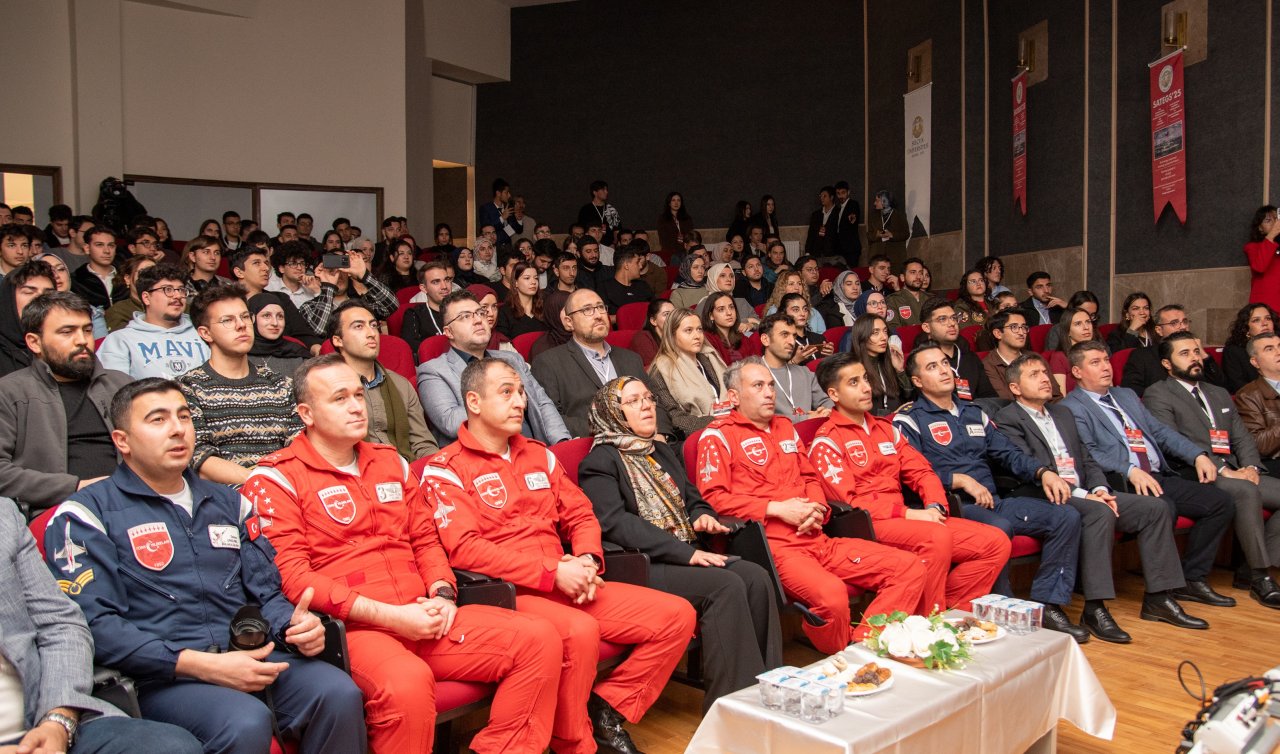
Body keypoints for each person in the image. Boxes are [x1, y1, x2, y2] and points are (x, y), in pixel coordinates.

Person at [242, 356, 561, 753]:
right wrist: (394, 617)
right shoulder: (274, 477)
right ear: (306, 413)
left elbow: (426, 540)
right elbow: (294, 578)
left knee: (539, 639)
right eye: (340, 398)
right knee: (407, 682)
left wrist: (443, 594)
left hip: (422, 612)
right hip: (356, 629)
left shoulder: (391, 461)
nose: (357, 405)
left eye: (359, 394)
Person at [43, 378, 366, 752]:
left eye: (184, 416)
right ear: (122, 441)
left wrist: (292, 625)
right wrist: (199, 665)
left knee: (339, 692)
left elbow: (266, 593)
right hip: (162, 676)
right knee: (245, 720)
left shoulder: (229, 502)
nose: (178, 429)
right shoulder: (86, 514)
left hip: (248, 654)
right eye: (158, 420)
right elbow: (97, 627)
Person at [424, 357, 695, 754]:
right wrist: (552, 572)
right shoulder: (445, 468)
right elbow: (466, 549)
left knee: (677, 617)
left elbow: (582, 515)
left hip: (567, 578)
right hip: (509, 593)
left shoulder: (541, 455)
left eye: (520, 392)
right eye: (506, 392)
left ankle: (607, 709)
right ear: (474, 402)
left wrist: (586, 559)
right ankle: (574, 743)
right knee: (579, 632)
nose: (520, 401)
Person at [578, 376, 783, 712]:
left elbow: (693, 498)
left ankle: (768, 688)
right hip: (642, 563)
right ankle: (731, 709)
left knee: (755, 576)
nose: (646, 405)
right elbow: (617, 524)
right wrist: (687, 554)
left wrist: (702, 516)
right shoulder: (600, 462)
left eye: (648, 398)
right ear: (612, 413)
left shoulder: (661, 450)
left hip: (686, 550)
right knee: (726, 586)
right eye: (633, 401)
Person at [696, 357, 926, 652]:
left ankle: (866, 647)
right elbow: (714, 499)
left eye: (770, 385)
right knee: (832, 596)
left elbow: (810, 477)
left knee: (908, 568)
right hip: (774, 549)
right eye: (758, 386)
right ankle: (845, 657)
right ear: (733, 397)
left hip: (817, 537)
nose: (769, 392)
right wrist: (776, 509)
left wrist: (817, 508)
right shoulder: (717, 435)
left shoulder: (784, 427)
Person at [993, 352, 1209, 637]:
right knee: (1099, 512)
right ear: (1015, 388)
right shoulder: (1008, 418)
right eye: (1034, 375)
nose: (1045, 378)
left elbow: (1088, 460)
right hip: (1046, 495)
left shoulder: (1062, 413)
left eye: (1045, 372)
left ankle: (1159, 597)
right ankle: (1095, 607)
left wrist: (1099, 488)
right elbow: (1024, 467)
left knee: (1154, 509)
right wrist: (1085, 495)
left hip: (1087, 492)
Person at [894, 342, 1088, 641]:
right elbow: (907, 474)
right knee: (1000, 529)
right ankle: (1002, 612)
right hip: (951, 506)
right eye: (932, 367)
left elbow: (1008, 454)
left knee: (1066, 516)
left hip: (993, 501)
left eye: (945, 363)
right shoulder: (909, 419)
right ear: (918, 381)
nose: (944, 370)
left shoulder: (974, 413)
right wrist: (957, 479)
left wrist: (1042, 472)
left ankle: (1048, 604)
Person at [0, 497, 206, 753]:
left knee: (173, 747)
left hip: (43, 716)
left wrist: (57, 719)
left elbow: (60, 624)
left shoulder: (4, 515)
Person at [811, 352, 1010, 615]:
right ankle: (930, 618)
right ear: (834, 395)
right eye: (854, 382)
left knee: (996, 542)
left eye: (866, 379)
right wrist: (908, 513)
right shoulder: (827, 441)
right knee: (936, 536)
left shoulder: (886, 429)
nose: (867, 387)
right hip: (870, 524)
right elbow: (851, 504)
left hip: (908, 519)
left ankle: (948, 612)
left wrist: (936, 506)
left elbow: (923, 472)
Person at [1062, 340, 1238, 609]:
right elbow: (1090, 453)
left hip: (1157, 474)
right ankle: (1160, 593)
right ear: (1076, 371)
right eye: (1095, 363)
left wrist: (1197, 455)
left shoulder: (1126, 396)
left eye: (1107, 360)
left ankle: (1192, 577)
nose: (1106, 367)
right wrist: (1130, 470)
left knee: (1220, 502)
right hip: (1120, 481)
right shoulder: (1072, 407)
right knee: (1162, 508)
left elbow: (1160, 432)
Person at [1143, 332, 1280, 607]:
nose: (1194, 358)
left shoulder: (1217, 392)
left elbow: (1241, 437)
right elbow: (1172, 442)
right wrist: (1224, 470)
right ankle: (1259, 576)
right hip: (1194, 473)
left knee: (1255, 487)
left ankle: (1252, 566)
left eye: (1196, 351)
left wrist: (1252, 466)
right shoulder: (1157, 393)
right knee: (1244, 492)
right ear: (1167, 363)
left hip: (1236, 470)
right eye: (1185, 353)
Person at [0, 292, 131, 512]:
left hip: (132, 502)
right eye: (67, 332)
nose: (82, 340)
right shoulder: (10, 392)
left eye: (87, 330)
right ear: (34, 342)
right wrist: (75, 486)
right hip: (56, 510)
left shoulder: (121, 384)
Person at [178, 284, 303, 486]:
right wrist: (262, 483)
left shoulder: (281, 384)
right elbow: (199, 457)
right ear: (205, 333)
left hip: (286, 492)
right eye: (228, 320)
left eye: (245, 317)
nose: (241, 325)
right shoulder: (188, 387)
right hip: (224, 501)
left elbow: (299, 447)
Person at [418, 290, 569, 446]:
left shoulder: (512, 359)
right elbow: (450, 423)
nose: (478, 320)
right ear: (449, 332)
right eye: (465, 316)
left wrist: (561, 442)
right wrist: (505, 396)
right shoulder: (434, 371)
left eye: (480, 313)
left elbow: (543, 403)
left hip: (535, 451)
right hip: (481, 462)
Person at [530, 289, 672, 440]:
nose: (598, 315)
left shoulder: (631, 359)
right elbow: (552, 418)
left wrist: (660, 433)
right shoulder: (549, 363)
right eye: (587, 310)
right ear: (568, 322)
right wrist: (614, 430)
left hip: (648, 442)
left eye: (601, 307)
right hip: (594, 448)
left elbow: (656, 402)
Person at [329, 301, 438, 461]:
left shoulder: (401, 384)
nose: (371, 333)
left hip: (405, 471)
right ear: (338, 340)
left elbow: (422, 443)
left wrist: (437, 470)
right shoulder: (329, 386)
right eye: (359, 326)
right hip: (356, 475)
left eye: (373, 326)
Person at [97, 263, 211, 380]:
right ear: (146, 298)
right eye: (168, 289)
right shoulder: (120, 340)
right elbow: (112, 389)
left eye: (181, 290)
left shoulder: (204, 333)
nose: (177, 295)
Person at [648, 308, 730, 439]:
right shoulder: (661, 370)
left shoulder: (709, 358)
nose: (697, 336)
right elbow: (675, 418)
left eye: (699, 329)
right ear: (672, 335)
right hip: (698, 435)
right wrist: (718, 421)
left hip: (731, 425)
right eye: (688, 330)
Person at [1121, 305, 1227, 396]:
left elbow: (1220, 386)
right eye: (1174, 323)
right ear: (1159, 330)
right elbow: (1131, 391)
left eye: (1185, 322)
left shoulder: (1195, 355)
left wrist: (1201, 353)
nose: (1182, 327)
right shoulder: (1143, 356)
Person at [918, 298, 998, 401]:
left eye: (954, 318)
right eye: (942, 319)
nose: (952, 323)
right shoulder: (923, 362)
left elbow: (989, 397)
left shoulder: (971, 358)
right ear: (926, 327)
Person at [758, 314, 831, 420]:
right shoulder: (753, 376)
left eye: (794, 336)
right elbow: (760, 417)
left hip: (812, 432)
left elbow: (826, 401)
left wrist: (825, 411)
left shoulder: (805, 373)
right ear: (765, 339)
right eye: (784, 335)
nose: (792, 342)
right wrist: (806, 418)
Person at [982, 309, 1062, 401]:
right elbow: (1005, 401)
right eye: (1014, 327)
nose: (1021, 333)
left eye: (1024, 327)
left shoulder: (1035, 358)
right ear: (998, 333)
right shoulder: (989, 364)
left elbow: (1055, 395)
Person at [0, 261, 58, 377]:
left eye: (48, 294)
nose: (40, 299)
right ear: (8, 299)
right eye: (29, 292)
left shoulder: (61, 343)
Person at [1236, 333, 1280, 473]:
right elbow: (1258, 444)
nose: (1278, 352)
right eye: (1269, 349)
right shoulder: (1248, 395)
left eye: (1279, 346)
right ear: (1255, 362)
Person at [847, 314, 908, 415]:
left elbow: (909, 397)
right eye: (875, 333)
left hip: (898, 421)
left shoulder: (889, 361)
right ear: (862, 336)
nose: (884, 337)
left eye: (885, 331)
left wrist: (900, 370)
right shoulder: (852, 368)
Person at [400, 258, 455, 358]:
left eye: (447, 280)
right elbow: (411, 347)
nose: (444, 286)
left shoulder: (461, 311)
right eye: (436, 282)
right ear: (424, 288)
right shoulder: (414, 314)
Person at [248, 292, 311, 375]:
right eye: (267, 315)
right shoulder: (238, 354)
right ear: (251, 319)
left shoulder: (298, 354)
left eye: (280, 316)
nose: (275, 323)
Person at [1223, 303, 1277, 393]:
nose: (1264, 323)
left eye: (1268, 318)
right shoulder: (1234, 351)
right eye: (1256, 320)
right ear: (1246, 328)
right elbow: (1238, 386)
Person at [702, 291, 761, 366]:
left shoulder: (743, 338)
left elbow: (757, 363)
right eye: (721, 309)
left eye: (731, 307)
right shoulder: (707, 340)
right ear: (711, 316)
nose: (729, 313)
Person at [1047, 307, 1097, 394]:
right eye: (1078, 324)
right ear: (1068, 331)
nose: (1086, 327)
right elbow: (1061, 398)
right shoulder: (1059, 357)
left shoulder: (1099, 353)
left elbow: (1109, 389)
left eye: (1088, 322)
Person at [496, 261, 549, 338]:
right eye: (527, 278)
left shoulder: (545, 308)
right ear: (516, 282)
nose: (533, 282)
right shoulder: (505, 312)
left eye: (536, 278)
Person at [1244, 205, 1280, 314]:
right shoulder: (1252, 247)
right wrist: (1272, 234)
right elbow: (1259, 267)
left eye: (1276, 218)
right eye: (1268, 220)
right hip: (1266, 309)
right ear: (1260, 228)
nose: (1275, 223)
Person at [104, 255, 154, 332]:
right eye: (143, 272)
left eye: (156, 273)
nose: (151, 278)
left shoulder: (168, 306)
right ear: (127, 279)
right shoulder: (118, 311)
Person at [266, 241, 320, 309]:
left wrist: (317, 291)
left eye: (302, 263)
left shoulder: (311, 290)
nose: (300, 268)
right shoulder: (269, 289)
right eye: (293, 264)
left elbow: (322, 315)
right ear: (281, 268)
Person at [885, 258, 929, 326]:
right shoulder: (894, 300)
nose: (918, 277)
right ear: (902, 277)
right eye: (913, 272)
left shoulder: (930, 298)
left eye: (921, 273)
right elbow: (893, 329)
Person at [630, 299, 674, 369]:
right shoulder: (642, 339)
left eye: (674, 314)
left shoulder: (676, 336)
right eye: (666, 314)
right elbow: (655, 370)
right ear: (653, 321)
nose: (672, 318)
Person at [578, 181, 621, 246]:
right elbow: (582, 230)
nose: (606, 192)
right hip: (591, 246)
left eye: (607, 190)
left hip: (609, 246)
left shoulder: (611, 210)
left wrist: (614, 244)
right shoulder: (585, 210)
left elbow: (617, 230)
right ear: (595, 192)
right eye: (603, 190)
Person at [832, 180, 862, 266]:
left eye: (843, 193)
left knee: (851, 273)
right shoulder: (837, 208)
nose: (840, 196)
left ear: (848, 192)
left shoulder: (853, 204)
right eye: (838, 193)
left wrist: (852, 218)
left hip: (851, 248)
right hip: (840, 248)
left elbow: (852, 220)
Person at [804, 186, 838, 256]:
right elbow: (811, 234)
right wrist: (807, 251)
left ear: (831, 197)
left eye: (824, 196)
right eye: (821, 196)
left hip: (833, 253)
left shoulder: (838, 212)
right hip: (817, 252)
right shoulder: (816, 214)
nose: (821, 198)